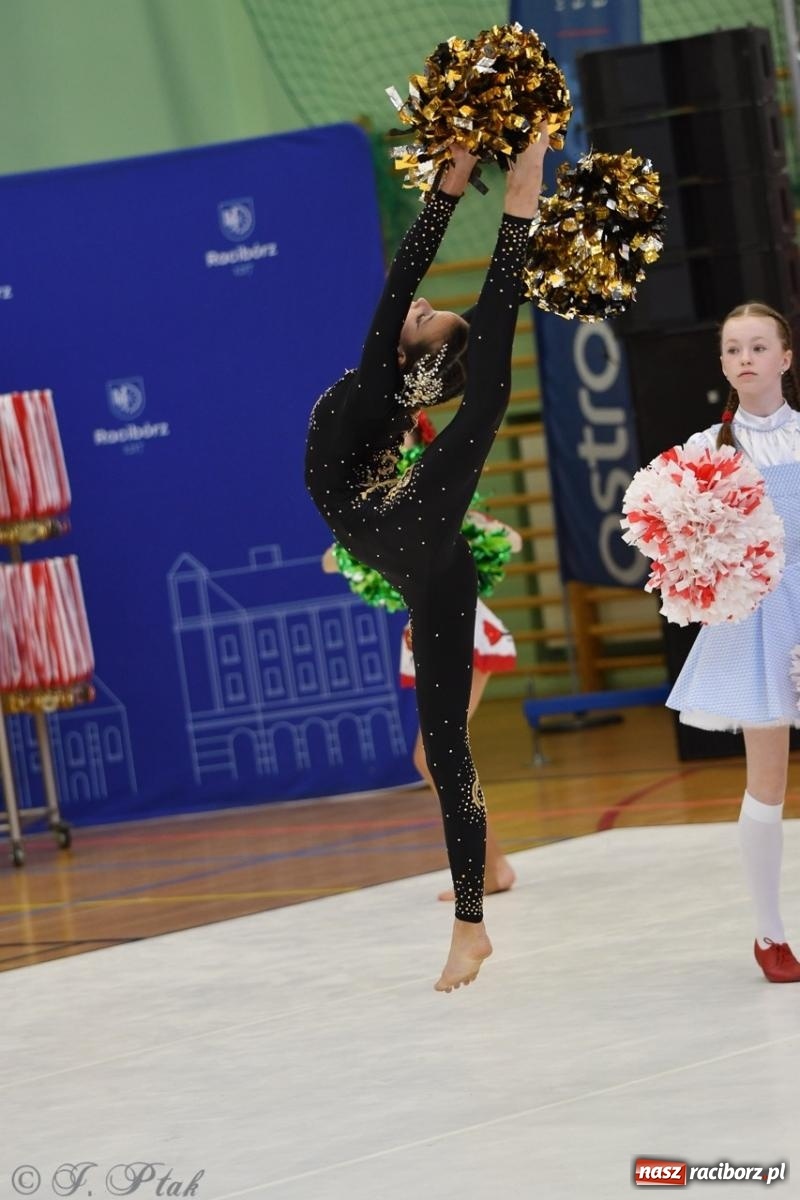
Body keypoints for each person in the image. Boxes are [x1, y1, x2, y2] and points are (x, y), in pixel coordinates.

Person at [305, 132, 549, 992]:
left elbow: (404, 274)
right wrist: (513, 206)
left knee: (447, 749)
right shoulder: (392, 394)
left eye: (416, 321)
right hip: (424, 548)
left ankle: (472, 923)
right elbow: (462, 327)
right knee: (446, 749)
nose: (408, 311)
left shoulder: (379, 379)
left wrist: (451, 191)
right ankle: (469, 923)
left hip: (393, 524)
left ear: (408, 358)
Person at [665, 301, 800, 983]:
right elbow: (678, 544)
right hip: (756, 617)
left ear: (785, 357)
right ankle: (770, 933)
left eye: (758, 346)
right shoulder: (704, 450)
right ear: (722, 363)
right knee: (768, 777)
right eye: (733, 349)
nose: (745, 358)